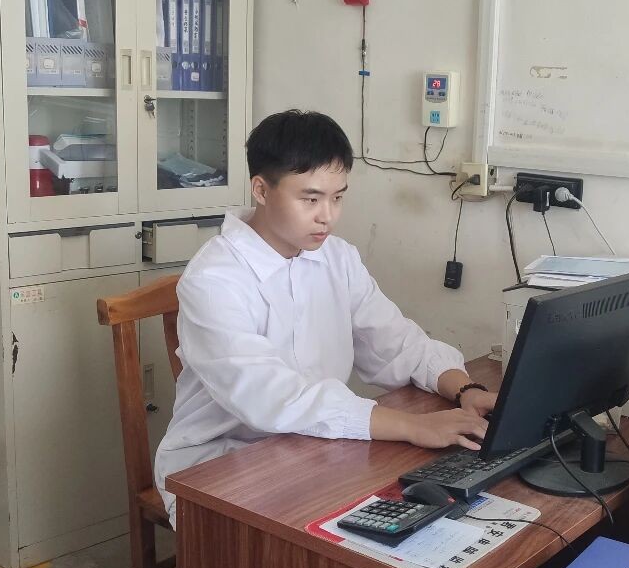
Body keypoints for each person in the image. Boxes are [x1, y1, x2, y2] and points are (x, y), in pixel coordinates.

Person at [155, 109, 496, 517]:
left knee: (428, 513)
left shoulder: (337, 257)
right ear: (261, 190)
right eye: (310, 199)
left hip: (313, 446)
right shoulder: (214, 279)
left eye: (338, 197)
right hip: (219, 463)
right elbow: (271, 396)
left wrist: (465, 390)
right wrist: (413, 426)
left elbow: (394, 341)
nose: (327, 216)